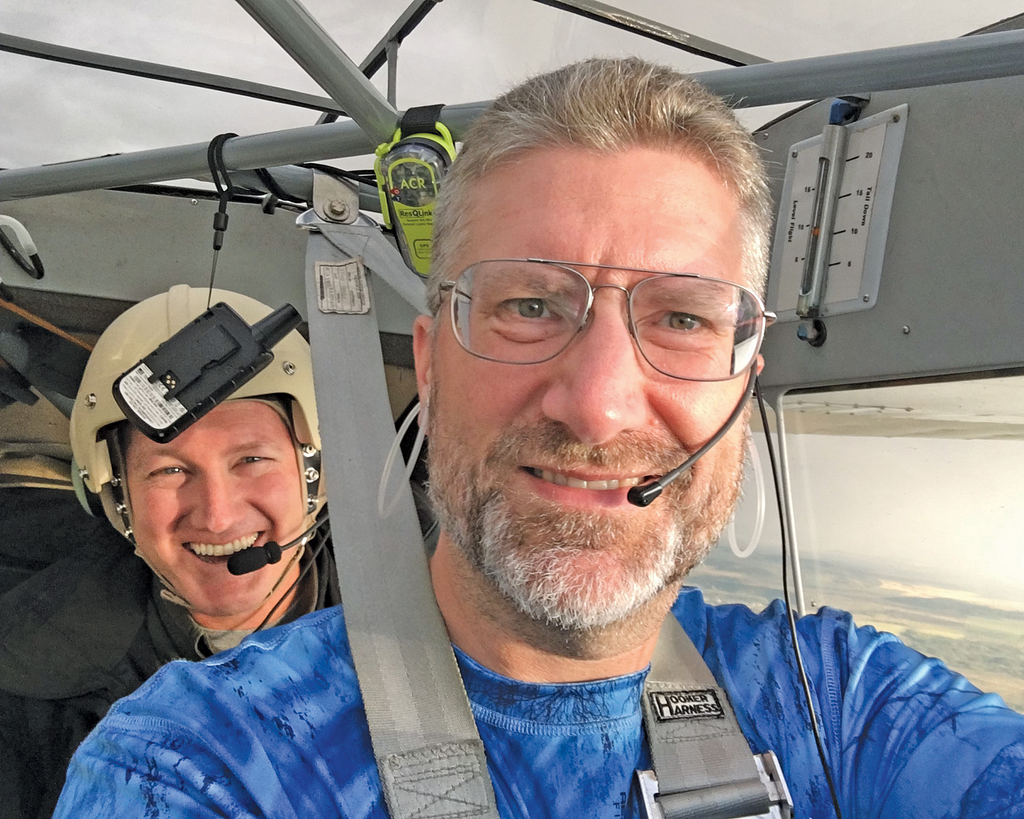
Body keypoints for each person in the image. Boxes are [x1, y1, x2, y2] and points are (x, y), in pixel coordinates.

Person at [55, 59, 1024, 819]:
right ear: (429, 365)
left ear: (744, 378)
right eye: (528, 305)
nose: (597, 405)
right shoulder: (203, 766)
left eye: (683, 319)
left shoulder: (846, 707)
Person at [0, 285, 339, 819]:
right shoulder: (31, 699)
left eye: (251, 459)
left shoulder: (449, 610)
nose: (218, 516)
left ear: (314, 471)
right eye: (170, 470)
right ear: (116, 497)